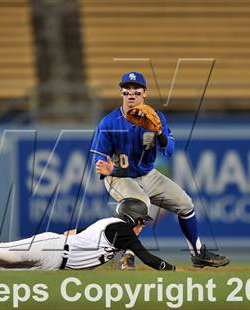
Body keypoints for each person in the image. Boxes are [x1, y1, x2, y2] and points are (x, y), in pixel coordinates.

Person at [90, 71, 229, 269]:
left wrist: (159, 133)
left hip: (148, 174)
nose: (131, 95)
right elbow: (98, 158)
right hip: (119, 177)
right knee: (141, 204)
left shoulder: (156, 118)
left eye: (136, 92)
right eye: (126, 91)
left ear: (144, 94)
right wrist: (105, 169)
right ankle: (126, 255)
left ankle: (197, 254)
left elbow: (169, 151)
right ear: (121, 93)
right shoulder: (109, 122)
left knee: (185, 204)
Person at [0, 198, 176, 272]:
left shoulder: (113, 227)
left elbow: (79, 233)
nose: (142, 225)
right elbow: (146, 257)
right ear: (131, 217)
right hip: (51, 248)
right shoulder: (121, 229)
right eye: (141, 220)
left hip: (55, 262)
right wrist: (171, 270)